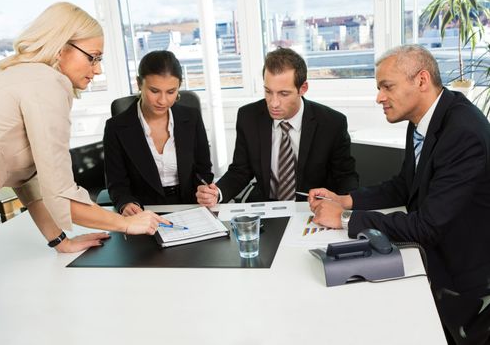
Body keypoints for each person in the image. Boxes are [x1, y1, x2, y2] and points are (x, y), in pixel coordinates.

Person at [308, 45, 490, 344]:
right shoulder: (424, 120)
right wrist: (346, 199)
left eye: (386, 87)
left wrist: (345, 219)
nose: (379, 97)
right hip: (435, 257)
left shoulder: (463, 133)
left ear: (421, 80)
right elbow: (405, 185)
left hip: (464, 281)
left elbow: (427, 226)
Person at [0, 2, 168, 253]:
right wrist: (126, 224)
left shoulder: (13, 72)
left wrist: (60, 241)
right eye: (92, 57)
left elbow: (30, 179)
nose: (98, 69)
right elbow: (60, 192)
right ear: (61, 48)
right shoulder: (47, 84)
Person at [196, 47, 358, 206]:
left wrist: (345, 210)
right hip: (266, 206)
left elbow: (345, 177)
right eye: (268, 91)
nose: (273, 103)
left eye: (283, 94)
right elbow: (240, 171)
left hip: (312, 208)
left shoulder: (331, 123)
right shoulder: (249, 117)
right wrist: (217, 193)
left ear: (303, 88)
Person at [103, 50, 213, 215]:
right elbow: (117, 183)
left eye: (171, 92)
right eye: (154, 91)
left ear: (179, 87)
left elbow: (203, 169)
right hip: (143, 210)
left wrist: (205, 191)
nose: (163, 101)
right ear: (139, 84)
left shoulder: (191, 118)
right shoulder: (116, 127)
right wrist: (126, 203)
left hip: (190, 207)